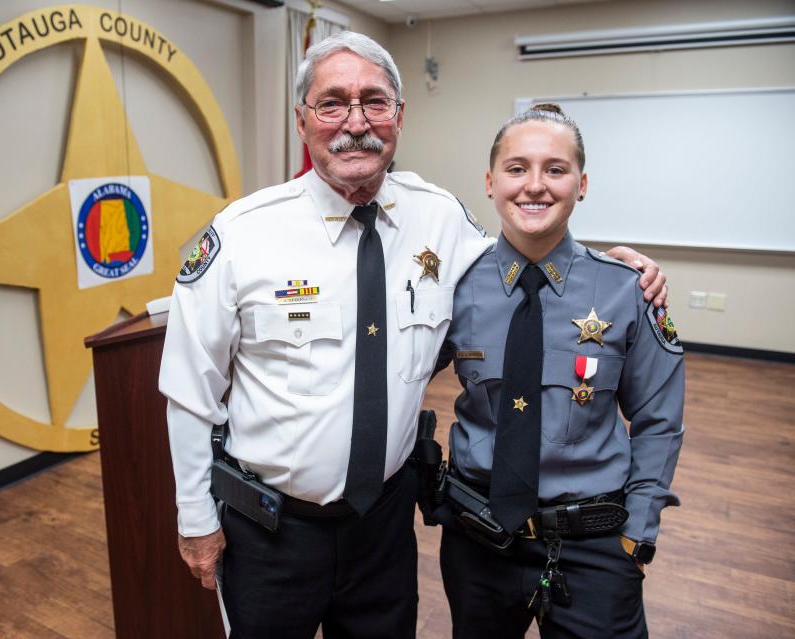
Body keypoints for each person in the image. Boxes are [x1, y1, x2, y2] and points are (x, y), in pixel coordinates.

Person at [159, 32, 666, 639]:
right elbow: (191, 391)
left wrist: (613, 268)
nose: (355, 122)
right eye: (332, 104)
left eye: (374, 102)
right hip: (271, 532)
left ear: (399, 116)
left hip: (383, 529)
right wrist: (194, 518)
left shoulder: (440, 217)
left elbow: (527, 256)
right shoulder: (243, 235)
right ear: (303, 120)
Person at [434, 104, 685, 639]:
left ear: (582, 183)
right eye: (517, 168)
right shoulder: (452, 286)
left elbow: (658, 420)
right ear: (490, 181)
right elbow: (396, 382)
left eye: (555, 169)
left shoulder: (626, 289)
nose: (535, 186)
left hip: (592, 546)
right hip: (478, 540)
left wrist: (636, 536)